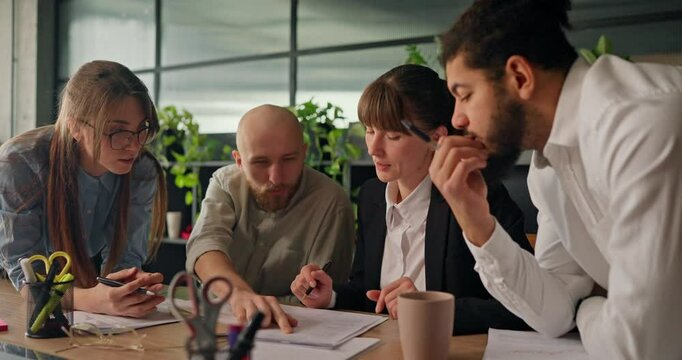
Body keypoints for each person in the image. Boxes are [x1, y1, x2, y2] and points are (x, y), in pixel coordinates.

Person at [431, 0, 682, 357]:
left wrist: (590, 311)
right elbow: (555, 313)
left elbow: (642, 347)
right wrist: (476, 222)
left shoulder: (641, 126)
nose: (457, 119)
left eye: (464, 95)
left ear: (519, 76)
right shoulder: (547, 169)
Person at [290, 64, 533, 334]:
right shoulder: (372, 197)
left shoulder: (478, 196)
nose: (373, 148)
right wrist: (331, 296)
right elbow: (370, 293)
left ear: (436, 138)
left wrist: (429, 308)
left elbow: (524, 306)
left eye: (392, 135)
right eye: (370, 130)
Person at [0, 60, 168, 317]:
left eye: (141, 130)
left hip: (66, 286)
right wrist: (92, 300)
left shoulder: (142, 171)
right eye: (117, 131)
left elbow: (125, 259)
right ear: (75, 126)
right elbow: (27, 277)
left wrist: (127, 288)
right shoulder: (21, 162)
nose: (134, 146)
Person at [186, 104, 355, 333]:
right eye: (260, 163)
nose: (275, 177)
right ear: (239, 162)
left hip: (295, 331)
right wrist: (240, 295)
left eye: (288, 159)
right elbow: (205, 245)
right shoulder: (226, 183)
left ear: (304, 152)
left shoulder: (332, 204)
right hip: (219, 324)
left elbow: (322, 298)